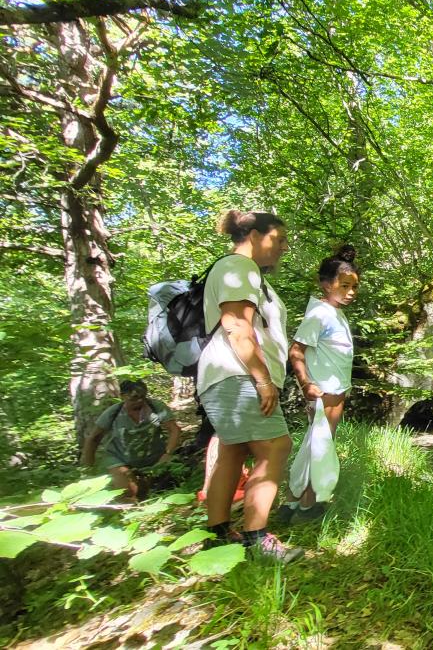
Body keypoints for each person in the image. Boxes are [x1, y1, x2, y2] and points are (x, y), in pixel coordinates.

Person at [197, 210, 301, 562]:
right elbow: (237, 327)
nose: (284, 247)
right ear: (255, 236)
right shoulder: (238, 268)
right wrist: (262, 378)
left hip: (224, 375)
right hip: (238, 374)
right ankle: (258, 539)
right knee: (276, 447)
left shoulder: (244, 272)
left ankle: (218, 534)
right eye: (279, 238)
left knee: (234, 450)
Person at [280, 245, 359, 523]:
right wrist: (306, 384)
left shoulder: (336, 314)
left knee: (312, 446)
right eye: (344, 285)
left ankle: (291, 503)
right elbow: (296, 350)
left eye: (354, 287)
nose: (350, 292)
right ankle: (309, 506)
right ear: (326, 284)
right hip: (324, 394)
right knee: (321, 448)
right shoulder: (320, 314)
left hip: (336, 392)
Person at [81, 380, 181, 502]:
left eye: (143, 397)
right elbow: (93, 438)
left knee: (151, 491)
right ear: (122, 396)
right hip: (119, 457)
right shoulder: (114, 413)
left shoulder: (155, 408)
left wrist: (167, 454)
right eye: (134, 398)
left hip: (153, 457)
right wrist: (88, 469)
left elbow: (174, 430)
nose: (140, 401)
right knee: (127, 493)